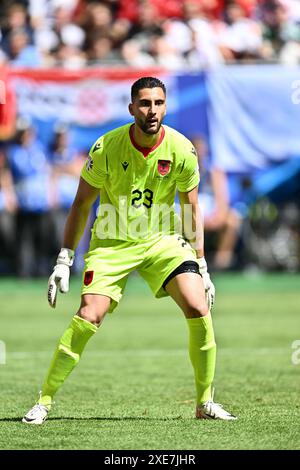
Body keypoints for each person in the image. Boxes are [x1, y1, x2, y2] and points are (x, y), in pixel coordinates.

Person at [22, 77, 237, 424]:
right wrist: (64, 258)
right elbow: (80, 205)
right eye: (145, 103)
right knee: (89, 315)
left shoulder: (182, 149)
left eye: (158, 103)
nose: (152, 111)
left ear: (165, 106)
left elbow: (190, 209)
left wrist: (200, 263)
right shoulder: (106, 147)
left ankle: (204, 403)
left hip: (163, 242)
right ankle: (44, 401)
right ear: (131, 108)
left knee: (198, 306)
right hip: (112, 244)